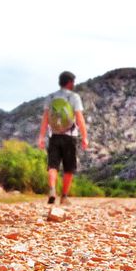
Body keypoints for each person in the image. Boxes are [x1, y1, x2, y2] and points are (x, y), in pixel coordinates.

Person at [38, 71, 88, 205]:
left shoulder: (51, 97)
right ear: (70, 82)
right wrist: (84, 137)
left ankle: (52, 189)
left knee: (52, 165)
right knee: (69, 167)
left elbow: (45, 119)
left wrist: (41, 137)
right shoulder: (74, 97)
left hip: (54, 135)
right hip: (69, 136)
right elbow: (79, 118)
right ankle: (64, 197)